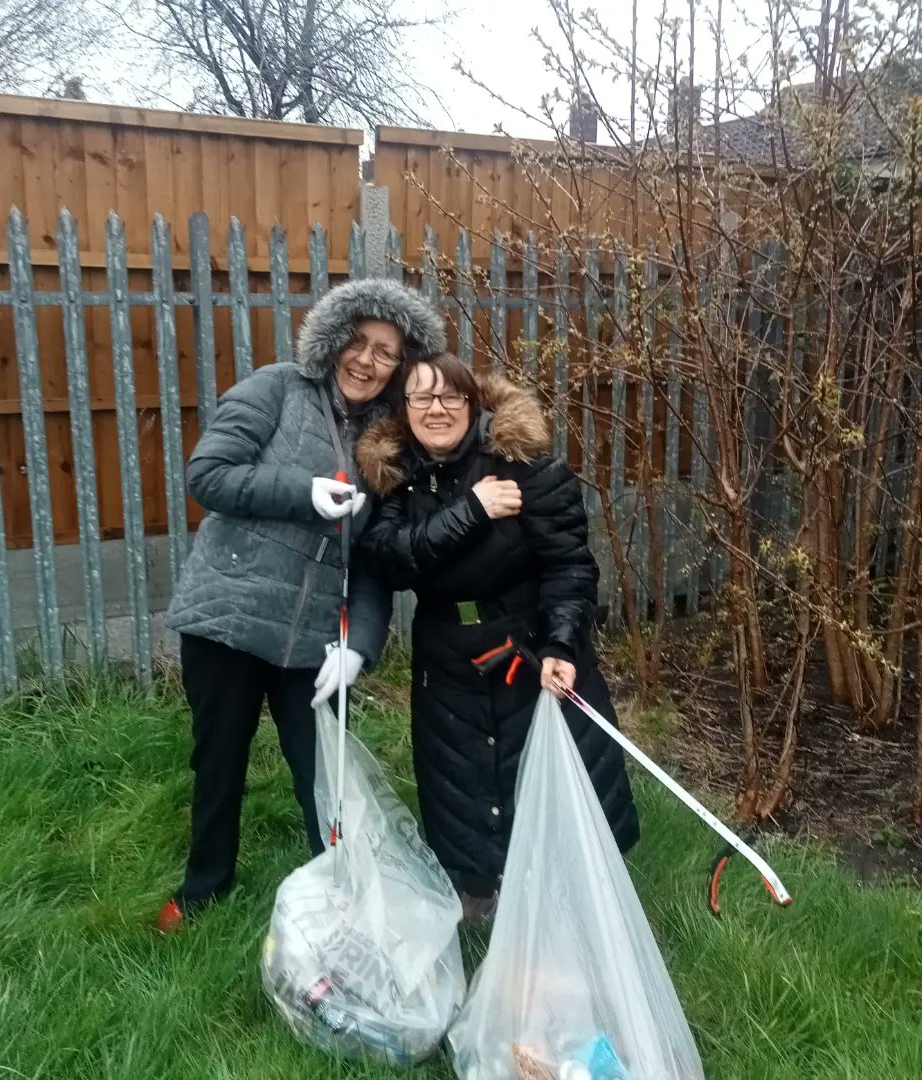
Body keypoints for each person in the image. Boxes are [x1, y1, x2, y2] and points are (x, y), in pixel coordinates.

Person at [155, 279, 446, 932]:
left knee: (324, 773)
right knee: (218, 761)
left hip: (315, 635)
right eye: (359, 342)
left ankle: (341, 898)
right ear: (334, 339)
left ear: (401, 366)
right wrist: (302, 490)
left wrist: (359, 645)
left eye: (386, 353)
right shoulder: (277, 388)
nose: (367, 360)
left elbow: (374, 561)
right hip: (229, 616)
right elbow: (208, 474)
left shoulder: (390, 440)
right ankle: (204, 889)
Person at [355, 352, 639, 922]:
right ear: (405, 408)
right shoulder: (397, 477)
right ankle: (479, 889)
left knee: (547, 773)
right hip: (447, 657)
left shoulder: (523, 464)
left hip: (526, 646)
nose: (436, 409)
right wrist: (473, 510)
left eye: (450, 396)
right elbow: (390, 560)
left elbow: (569, 566)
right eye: (421, 397)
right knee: (460, 776)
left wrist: (561, 644)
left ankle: (570, 897)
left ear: (472, 401)